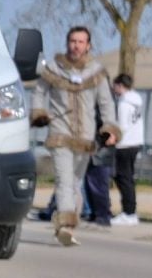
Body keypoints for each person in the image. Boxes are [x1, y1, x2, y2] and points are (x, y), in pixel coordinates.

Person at [30, 26, 120, 247]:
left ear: (88, 45)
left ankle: (63, 221)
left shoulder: (96, 72)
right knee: (64, 180)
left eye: (81, 42)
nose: (76, 45)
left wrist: (109, 128)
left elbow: (106, 103)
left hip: (86, 136)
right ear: (67, 43)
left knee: (75, 182)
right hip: (60, 132)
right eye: (72, 41)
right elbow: (39, 92)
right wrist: (40, 113)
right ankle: (66, 226)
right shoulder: (53, 69)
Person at [111, 73, 144, 225]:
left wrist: (114, 138)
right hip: (136, 142)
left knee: (123, 178)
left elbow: (122, 126)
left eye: (115, 86)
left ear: (120, 85)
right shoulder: (137, 100)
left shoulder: (124, 104)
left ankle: (128, 212)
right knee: (128, 178)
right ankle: (130, 211)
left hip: (125, 144)